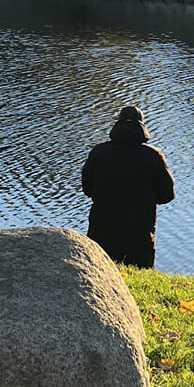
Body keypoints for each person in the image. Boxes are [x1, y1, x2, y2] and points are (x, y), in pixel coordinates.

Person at [81, 105, 175, 268]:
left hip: (102, 228)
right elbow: (167, 195)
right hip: (139, 233)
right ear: (142, 126)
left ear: (118, 124)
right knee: (141, 275)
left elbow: (87, 188)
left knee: (100, 271)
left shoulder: (99, 152)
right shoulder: (153, 156)